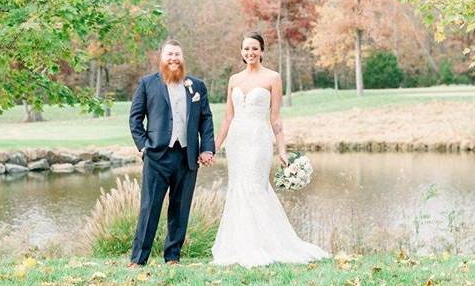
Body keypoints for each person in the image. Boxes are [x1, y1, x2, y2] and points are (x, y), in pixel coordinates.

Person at [211, 31, 328, 267]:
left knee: (255, 187)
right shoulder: (234, 80)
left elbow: (276, 119)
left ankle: (265, 244)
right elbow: (227, 118)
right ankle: (241, 244)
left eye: (255, 48)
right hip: (236, 140)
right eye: (246, 49)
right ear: (241, 52)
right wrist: (213, 147)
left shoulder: (272, 78)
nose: (250, 53)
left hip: (258, 140)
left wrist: (282, 150)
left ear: (262, 51)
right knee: (237, 188)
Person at [128, 39, 215, 265]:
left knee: (180, 208)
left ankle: (173, 257)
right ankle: (138, 259)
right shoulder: (147, 84)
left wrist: (206, 148)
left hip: (187, 157)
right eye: (170, 54)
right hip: (157, 155)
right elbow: (135, 119)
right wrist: (144, 146)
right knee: (150, 208)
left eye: (177, 54)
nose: (174, 58)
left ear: (182, 57)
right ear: (162, 58)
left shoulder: (196, 86)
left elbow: (206, 119)